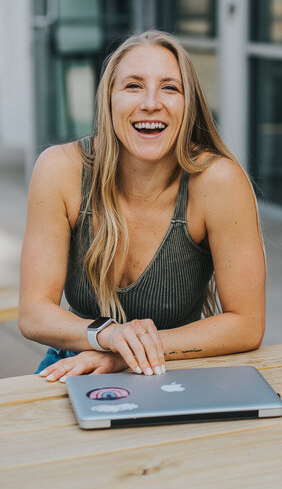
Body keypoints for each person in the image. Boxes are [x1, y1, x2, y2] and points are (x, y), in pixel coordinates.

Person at [19, 30, 266, 383]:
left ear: (189, 104)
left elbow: (247, 324)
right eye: (133, 86)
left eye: (169, 87)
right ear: (108, 100)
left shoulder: (217, 182)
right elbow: (33, 313)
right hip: (77, 363)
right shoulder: (60, 170)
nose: (151, 102)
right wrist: (108, 337)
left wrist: (129, 354)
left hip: (180, 366)